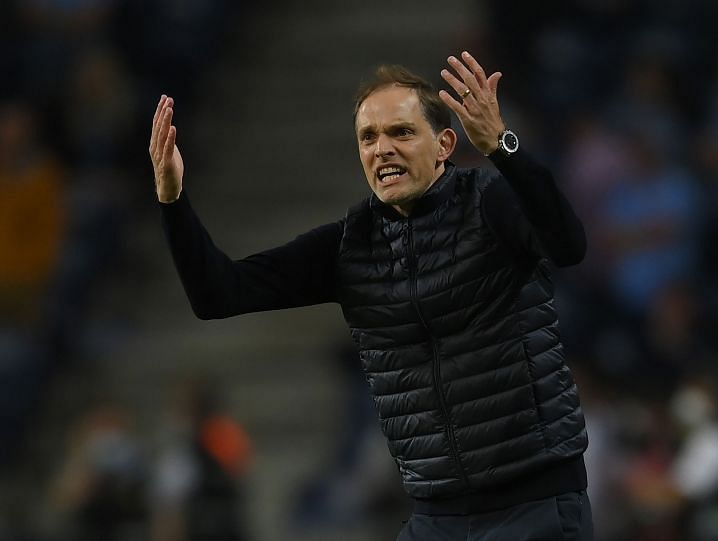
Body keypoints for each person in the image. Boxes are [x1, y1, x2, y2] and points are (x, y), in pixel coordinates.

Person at [150, 51, 593, 540]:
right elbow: (217, 294)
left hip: (534, 504)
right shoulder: (349, 246)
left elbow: (568, 245)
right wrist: (172, 201)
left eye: (401, 132)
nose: (382, 148)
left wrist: (503, 148)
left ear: (444, 144)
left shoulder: (490, 202)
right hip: (435, 516)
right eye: (368, 137)